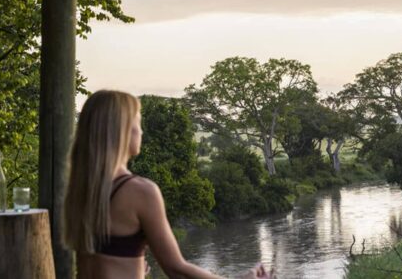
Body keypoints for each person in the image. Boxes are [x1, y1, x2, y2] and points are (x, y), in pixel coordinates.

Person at [61, 90, 272, 279]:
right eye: (138, 125)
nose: (142, 133)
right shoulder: (140, 191)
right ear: (123, 131)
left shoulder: (81, 191)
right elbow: (177, 270)